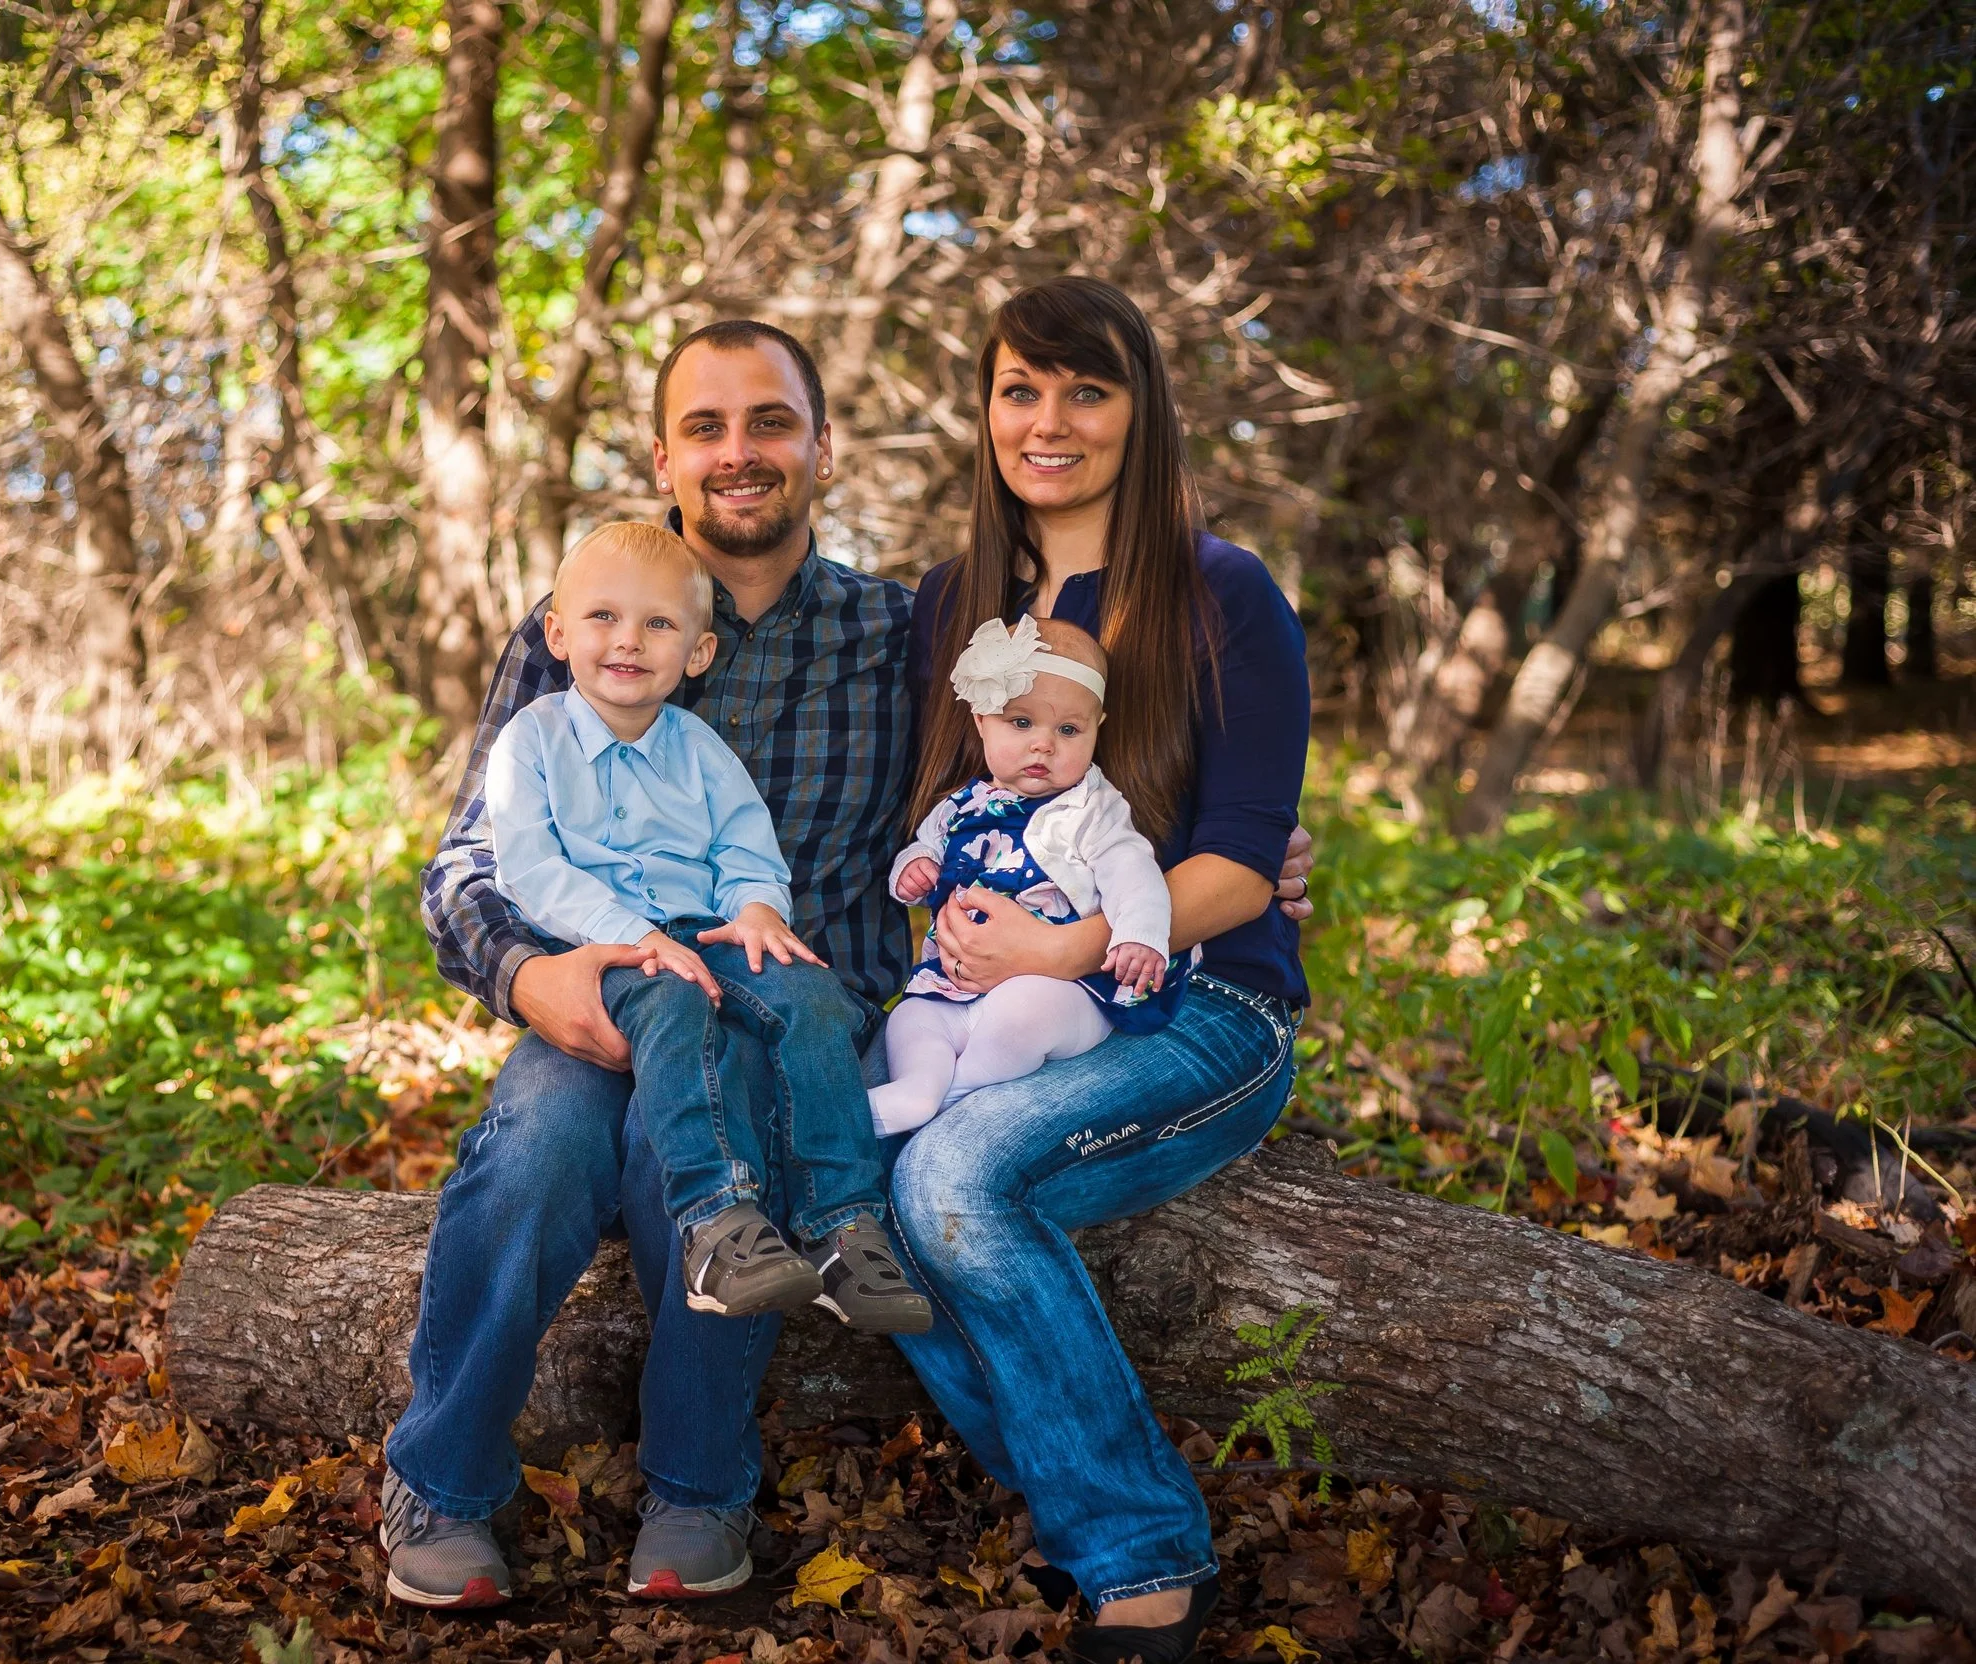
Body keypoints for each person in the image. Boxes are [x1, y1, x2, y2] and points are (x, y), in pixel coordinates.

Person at [387, 313, 1317, 1617]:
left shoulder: (901, 636)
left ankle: (701, 1491)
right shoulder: (586, 624)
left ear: (826, 452)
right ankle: (440, 1483)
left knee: (753, 1154)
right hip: (610, 992)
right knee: (539, 1145)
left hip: (792, 1012)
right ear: (665, 456)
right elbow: (466, 866)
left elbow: (1039, 765)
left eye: (771, 422)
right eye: (706, 427)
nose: (739, 452)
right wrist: (528, 980)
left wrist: (1226, 856)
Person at [887, 275, 1312, 1664]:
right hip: (1000, 1010)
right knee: (857, 1172)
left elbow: (1245, 866)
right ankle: (1071, 1462)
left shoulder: (1225, 594)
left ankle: (1138, 1557)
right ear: (986, 410)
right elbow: (947, 833)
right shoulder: (952, 605)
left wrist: (1071, 943)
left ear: (1143, 413)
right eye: (1020, 389)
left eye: (1087, 389)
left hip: (1200, 1010)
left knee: (951, 1177)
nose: (1048, 421)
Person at [482, 520, 930, 1330]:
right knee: (674, 1006)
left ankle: (844, 1228)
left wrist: (759, 909)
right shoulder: (533, 740)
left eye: (657, 624)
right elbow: (529, 868)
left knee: (814, 999)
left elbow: (744, 846)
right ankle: (717, 1221)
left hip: (711, 932)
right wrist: (631, 937)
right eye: (603, 618)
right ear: (557, 631)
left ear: (697, 652)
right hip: (605, 952)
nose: (628, 641)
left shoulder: (699, 747)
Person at [871, 615, 1180, 1136]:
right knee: (911, 1020)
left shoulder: (1091, 809)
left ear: (1096, 729)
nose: (1043, 745)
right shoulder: (960, 805)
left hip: (1060, 986)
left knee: (1024, 1011)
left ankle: (949, 1096)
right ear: (980, 722)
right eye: (1021, 723)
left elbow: (1134, 870)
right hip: (954, 985)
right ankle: (914, 1090)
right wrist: (914, 869)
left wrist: (1140, 935)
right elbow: (924, 847)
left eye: (1067, 729)